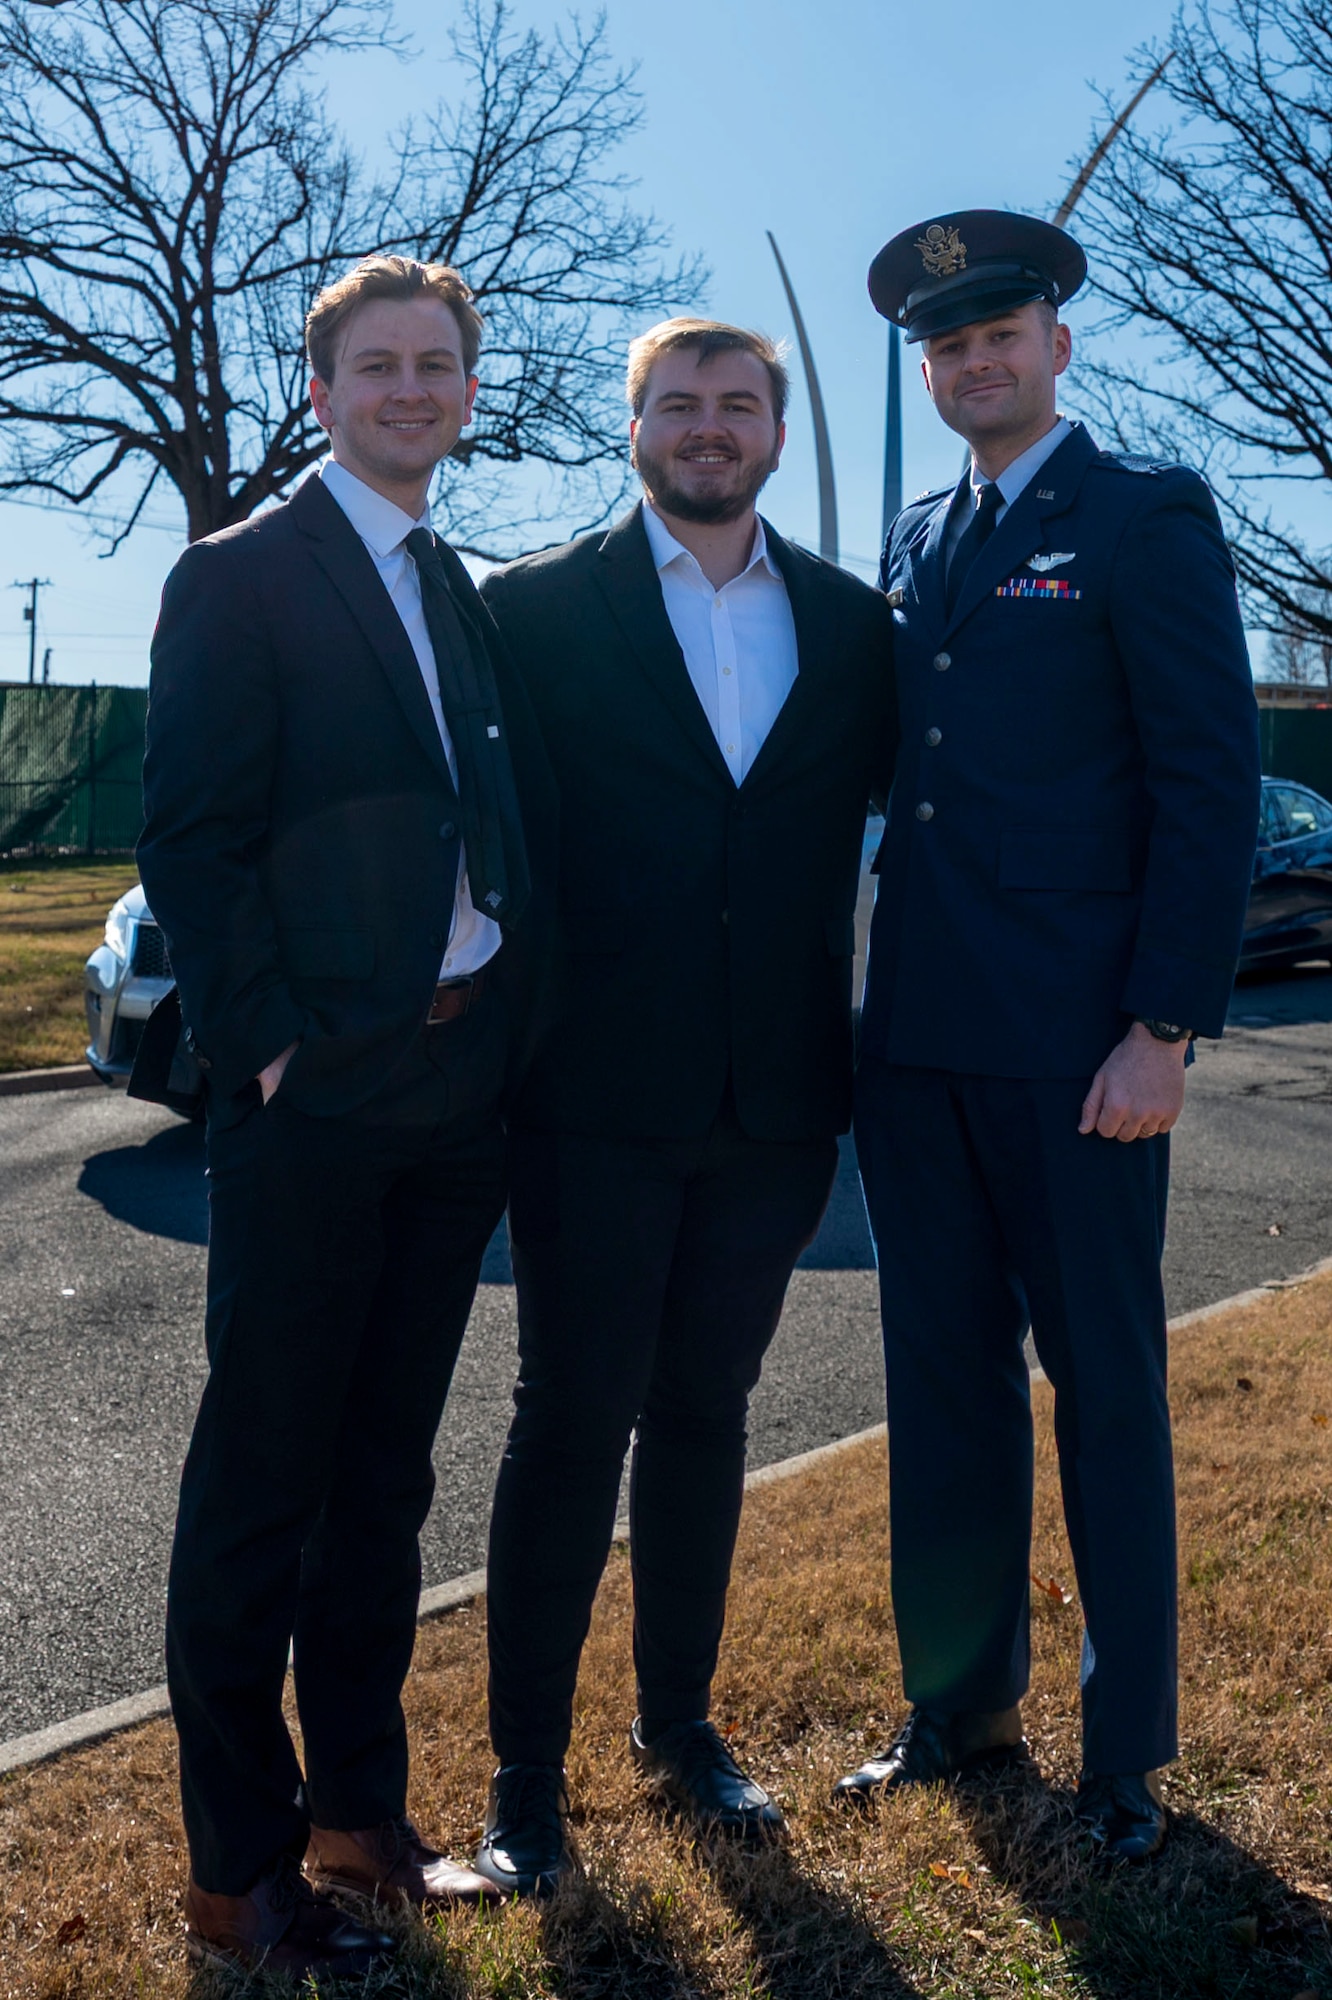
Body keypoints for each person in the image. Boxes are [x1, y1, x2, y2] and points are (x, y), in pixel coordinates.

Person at [136, 255, 556, 1977]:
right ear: (321, 391)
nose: (409, 389)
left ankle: (358, 1821)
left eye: (435, 364)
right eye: (375, 366)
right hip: (319, 1097)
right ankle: (241, 1874)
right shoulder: (236, 578)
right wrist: (273, 1052)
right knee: (265, 1484)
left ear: (467, 387)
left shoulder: (458, 584)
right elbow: (194, 838)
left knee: (383, 1480)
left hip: (458, 1091)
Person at [835, 210, 1261, 1860]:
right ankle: (959, 1707)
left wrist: (1163, 1025)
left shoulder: (1143, 517)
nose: (972, 363)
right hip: (919, 1049)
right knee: (943, 1388)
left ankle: (1129, 1752)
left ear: (1056, 346)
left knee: (1106, 1390)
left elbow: (1207, 784)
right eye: (944, 347)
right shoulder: (919, 537)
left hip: (1083, 1053)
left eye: (998, 335)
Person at [468, 317, 896, 1896]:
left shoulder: (855, 628)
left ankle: (678, 1725)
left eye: (737, 406)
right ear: (633, 424)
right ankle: (526, 1781)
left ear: (777, 434)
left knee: (707, 1415)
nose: (707, 428)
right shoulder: (530, 611)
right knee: (572, 1422)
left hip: (778, 1104)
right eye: (677, 404)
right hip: (587, 1096)